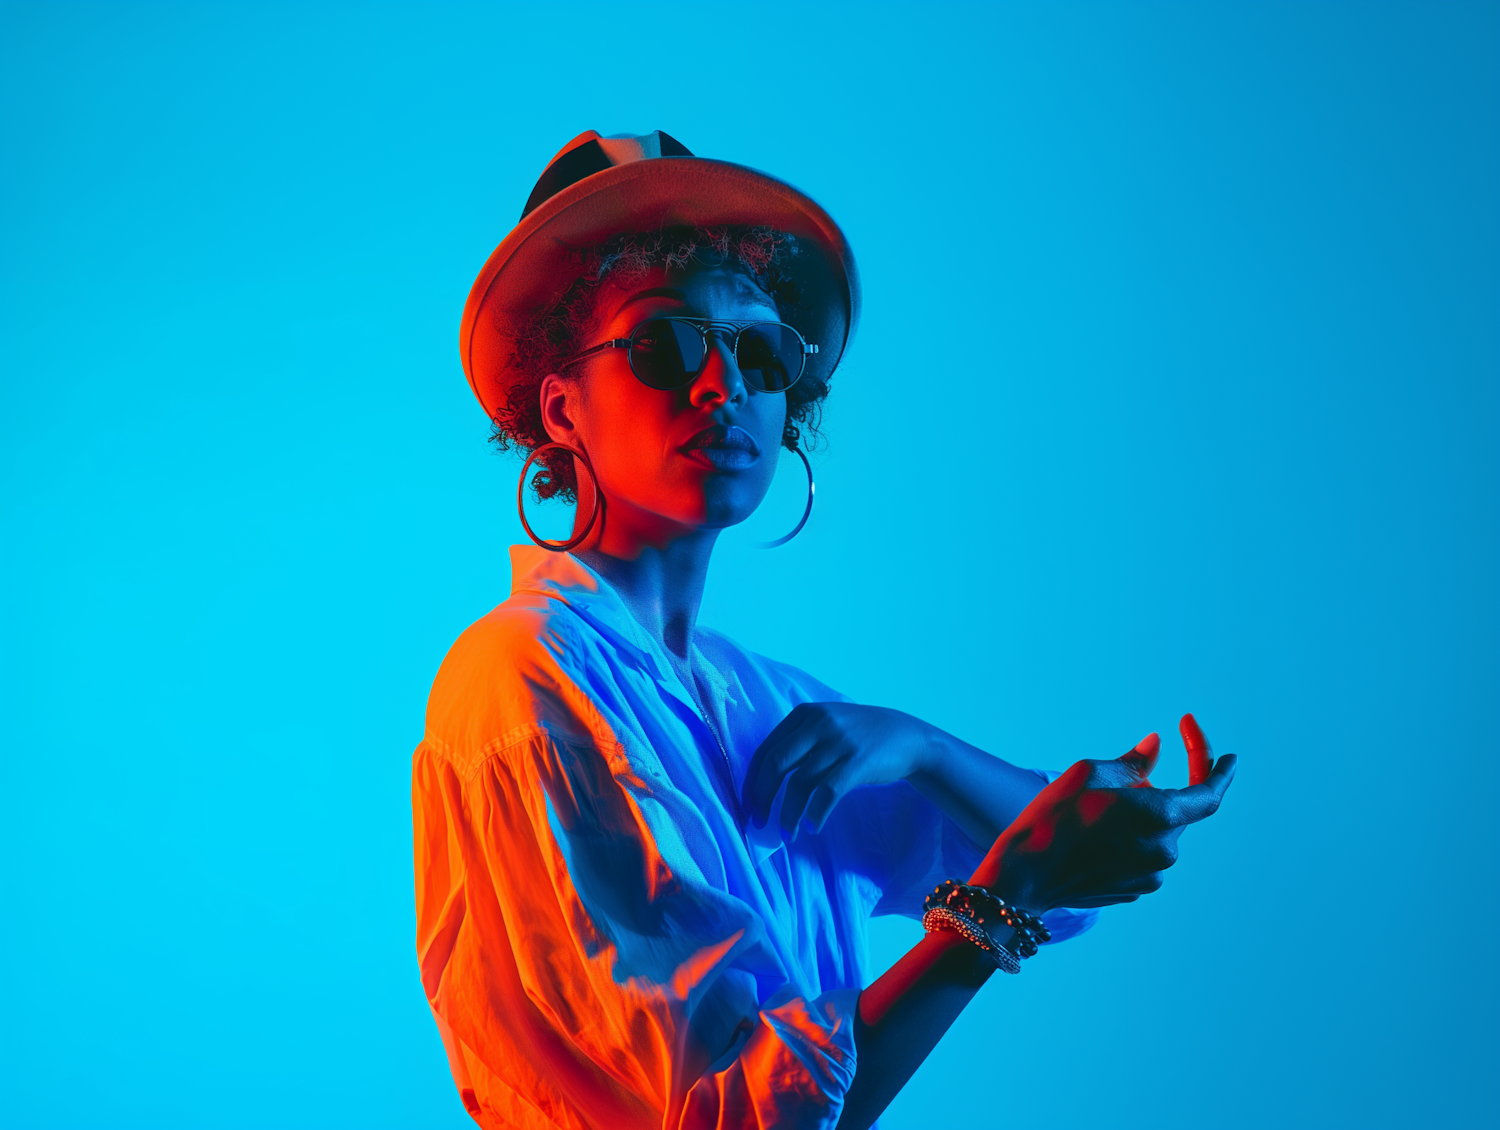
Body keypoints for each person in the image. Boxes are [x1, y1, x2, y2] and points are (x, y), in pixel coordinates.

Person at [412, 130, 1238, 1130]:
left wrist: (924, 749)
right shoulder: (524, 679)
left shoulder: (767, 702)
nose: (723, 387)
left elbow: (1065, 892)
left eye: (761, 352)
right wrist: (1000, 898)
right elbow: (740, 1113)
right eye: (665, 343)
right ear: (561, 405)